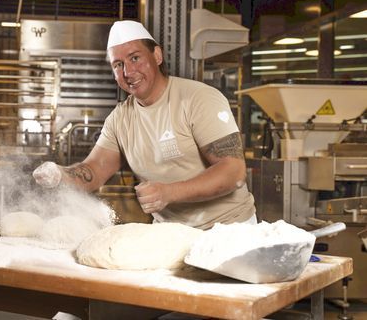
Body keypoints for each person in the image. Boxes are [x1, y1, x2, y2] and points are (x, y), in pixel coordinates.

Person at [33, 20, 256, 230]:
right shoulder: (120, 119)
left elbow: (233, 172)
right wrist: (60, 174)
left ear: (156, 55)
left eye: (135, 58)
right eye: (118, 65)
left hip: (227, 230)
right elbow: (93, 171)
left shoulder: (197, 99)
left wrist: (169, 192)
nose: (128, 72)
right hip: (169, 235)